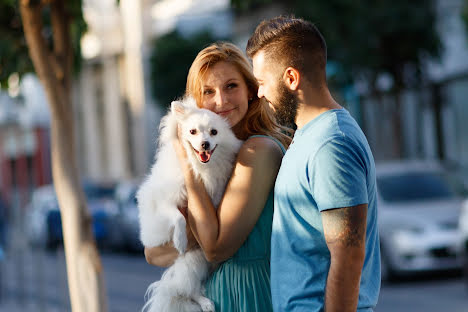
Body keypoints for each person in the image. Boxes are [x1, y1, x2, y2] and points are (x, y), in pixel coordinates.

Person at [246, 16, 381, 312]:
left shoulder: (331, 144)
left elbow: (348, 256)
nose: (259, 93)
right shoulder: (310, 136)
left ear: (291, 78)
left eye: (261, 82)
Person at [144, 42, 292, 312]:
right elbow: (153, 253)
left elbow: (213, 249)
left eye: (231, 86)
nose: (220, 102)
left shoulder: (257, 149)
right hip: (218, 296)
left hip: (251, 296)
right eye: (208, 92)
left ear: (250, 90)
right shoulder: (216, 160)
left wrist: (184, 157)